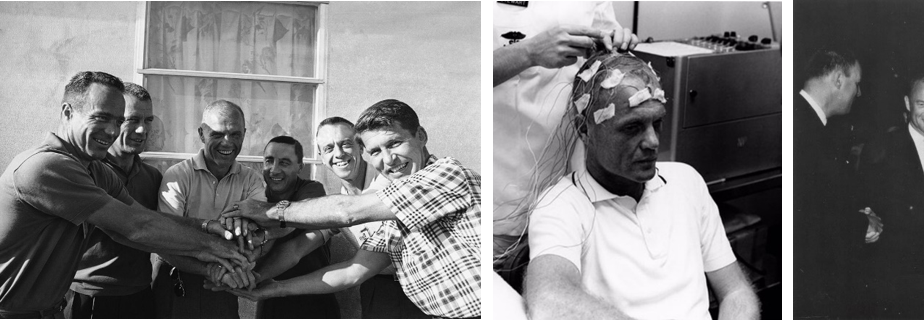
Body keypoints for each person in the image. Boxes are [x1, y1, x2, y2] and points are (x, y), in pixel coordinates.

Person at [524, 51, 759, 319]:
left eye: (657, 123)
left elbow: (735, 291)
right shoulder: (561, 206)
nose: (653, 142)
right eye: (632, 127)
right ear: (584, 129)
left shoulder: (686, 181)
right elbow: (550, 299)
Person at [0, 71, 246, 319]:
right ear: (67, 112)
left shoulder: (94, 169)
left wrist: (205, 226)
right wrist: (216, 248)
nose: (111, 131)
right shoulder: (47, 166)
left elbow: (139, 217)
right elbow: (136, 227)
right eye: (102, 117)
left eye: (118, 121)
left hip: (52, 310)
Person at [220, 99, 482, 319]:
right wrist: (269, 287)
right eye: (377, 151)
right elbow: (353, 270)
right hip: (409, 303)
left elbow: (348, 212)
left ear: (421, 136)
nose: (388, 159)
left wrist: (268, 211)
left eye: (394, 144)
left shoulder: (445, 175)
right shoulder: (388, 213)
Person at [492, 2, 639, 276]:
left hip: (576, 197)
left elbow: (606, 68)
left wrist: (619, 49)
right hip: (500, 199)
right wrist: (527, 52)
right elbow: (456, 74)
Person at [856, 75, 924, 319]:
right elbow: (864, 211)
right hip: (893, 282)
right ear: (907, 103)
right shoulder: (880, 148)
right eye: (921, 104)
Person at [155, 99, 271, 318]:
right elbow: (165, 239)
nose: (227, 143)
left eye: (235, 134)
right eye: (217, 134)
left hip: (225, 285)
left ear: (244, 134)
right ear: (201, 134)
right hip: (176, 279)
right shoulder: (178, 176)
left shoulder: (252, 179)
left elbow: (259, 226)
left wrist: (249, 224)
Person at [305, 117, 428, 318]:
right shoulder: (339, 204)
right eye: (328, 148)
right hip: (377, 290)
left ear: (360, 147)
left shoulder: (392, 180)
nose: (338, 154)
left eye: (345, 144)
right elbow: (300, 245)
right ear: (321, 156)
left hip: (423, 287)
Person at [63, 82, 162, 318]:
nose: (142, 130)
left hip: (139, 296)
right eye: (132, 120)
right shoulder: (85, 173)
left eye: (148, 120)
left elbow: (160, 231)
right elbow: (132, 229)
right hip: (88, 296)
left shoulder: (153, 177)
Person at [793, 49, 879, 319]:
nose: (859, 93)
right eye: (857, 83)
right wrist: (861, 225)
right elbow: (808, 216)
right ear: (839, 79)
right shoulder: (804, 130)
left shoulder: (813, 125)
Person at [242, 135, 341, 318]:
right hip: (269, 299)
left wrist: (263, 228)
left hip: (313, 300)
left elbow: (293, 223)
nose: (274, 170)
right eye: (269, 161)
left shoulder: (312, 190)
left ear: (300, 167)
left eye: (284, 163)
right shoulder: (258, 196)